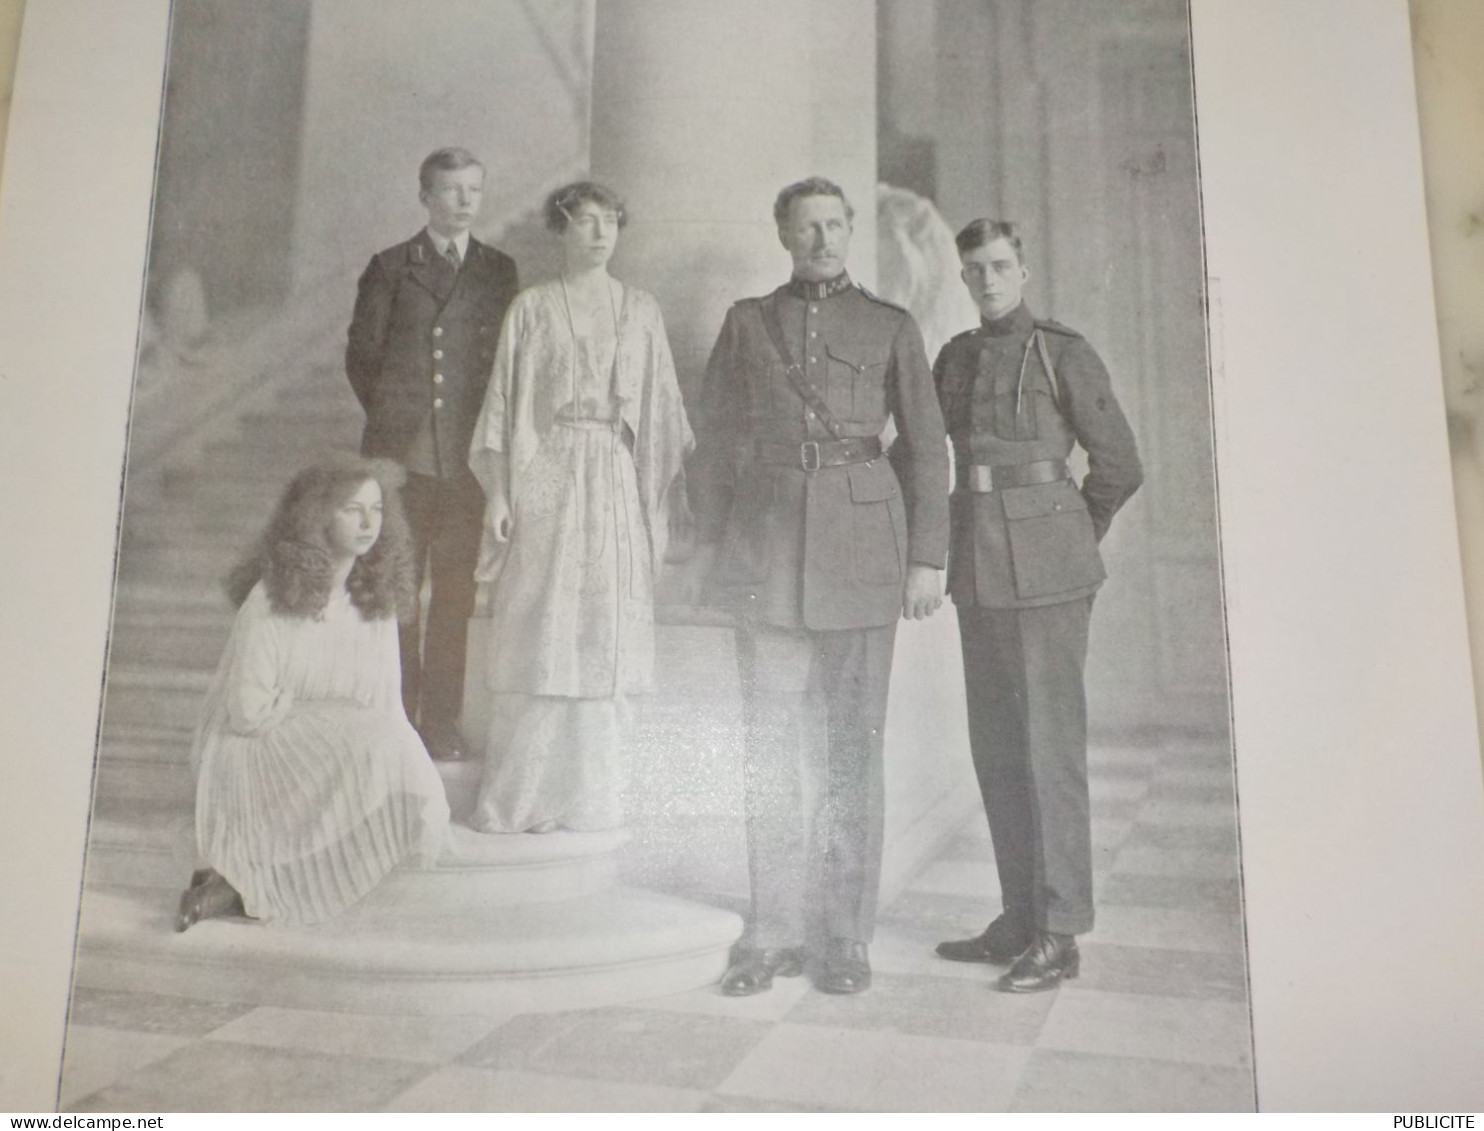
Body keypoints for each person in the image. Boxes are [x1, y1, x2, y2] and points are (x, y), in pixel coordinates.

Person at [686, 177, 950, 995]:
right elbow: (714, 439)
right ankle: (770, 932)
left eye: (836, 225)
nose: (823, 240)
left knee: (848, 754)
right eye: (808, 227)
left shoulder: (889, 325)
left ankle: (843, 935)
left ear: (850, 233)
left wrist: (926, 558)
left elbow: (928, 447)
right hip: (765, 558)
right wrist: (719, 543)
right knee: (769, 752)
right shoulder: (747, 324)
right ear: (783, 235)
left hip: (865, 556)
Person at [931, 219, 1143, 991]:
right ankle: (1019, 915)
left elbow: (1119, 462)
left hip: (1048, 576)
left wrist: (1067, 536)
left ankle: (1061, 930)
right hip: (978, 571)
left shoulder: (1062, 351)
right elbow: (927, 451)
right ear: (962, 278)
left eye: (999, 266)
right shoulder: (954, 357)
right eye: (974, 269)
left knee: (1049, 749)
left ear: (1023, 269)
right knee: (997, 748)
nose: (987, 279)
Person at [466, 181, 692, 834]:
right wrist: (502, 493)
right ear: (559, 230)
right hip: (551, 471)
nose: (598, 233)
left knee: (606, 628)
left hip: (615, 475)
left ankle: (598, 801)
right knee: (543, 623)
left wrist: (652, 492)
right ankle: (520, 800)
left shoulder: (641, 310)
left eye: (610, 221)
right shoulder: (532, 309)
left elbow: (663, 412)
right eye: (585, 221)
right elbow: (505, 408)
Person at [177, 454, 451, 931]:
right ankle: (239, 882)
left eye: (378, 510)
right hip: (254, 746)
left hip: (331, 741)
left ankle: (246, 878)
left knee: (394, 750)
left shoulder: (375, 600)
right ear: (317, 517)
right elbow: (246, 714)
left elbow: (386, 706)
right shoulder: (272, 599)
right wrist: (323, 719)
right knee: (373, 740)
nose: (369, 523)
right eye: (352, 510)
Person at [345, 147, 520, 761]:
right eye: (451, 190)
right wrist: (402, 423)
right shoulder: (392, 267)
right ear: (425, 197)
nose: (465, 200)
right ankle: (396, 717)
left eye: (474, 188)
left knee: (454, 597)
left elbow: (506, 363)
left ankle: (440, 723)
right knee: (398, 590)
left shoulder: (499, 271)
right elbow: (363, 357)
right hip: (404, 460)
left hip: (468, 464)